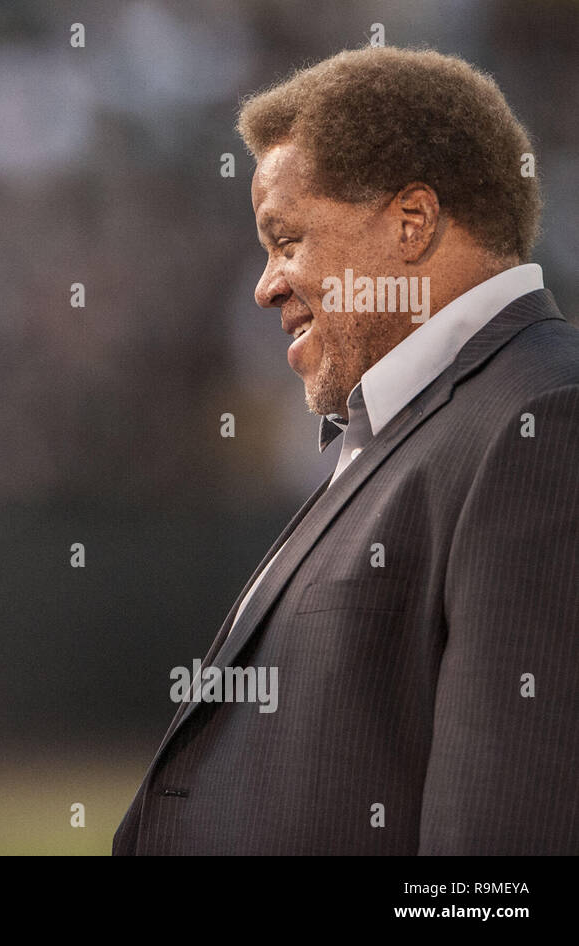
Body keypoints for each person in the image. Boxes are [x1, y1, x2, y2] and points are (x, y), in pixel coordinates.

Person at [115, 47, 579, 855]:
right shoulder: (408, 425)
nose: (266, 285)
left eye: (287, 239)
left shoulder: (543, 420)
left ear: (412, 222)